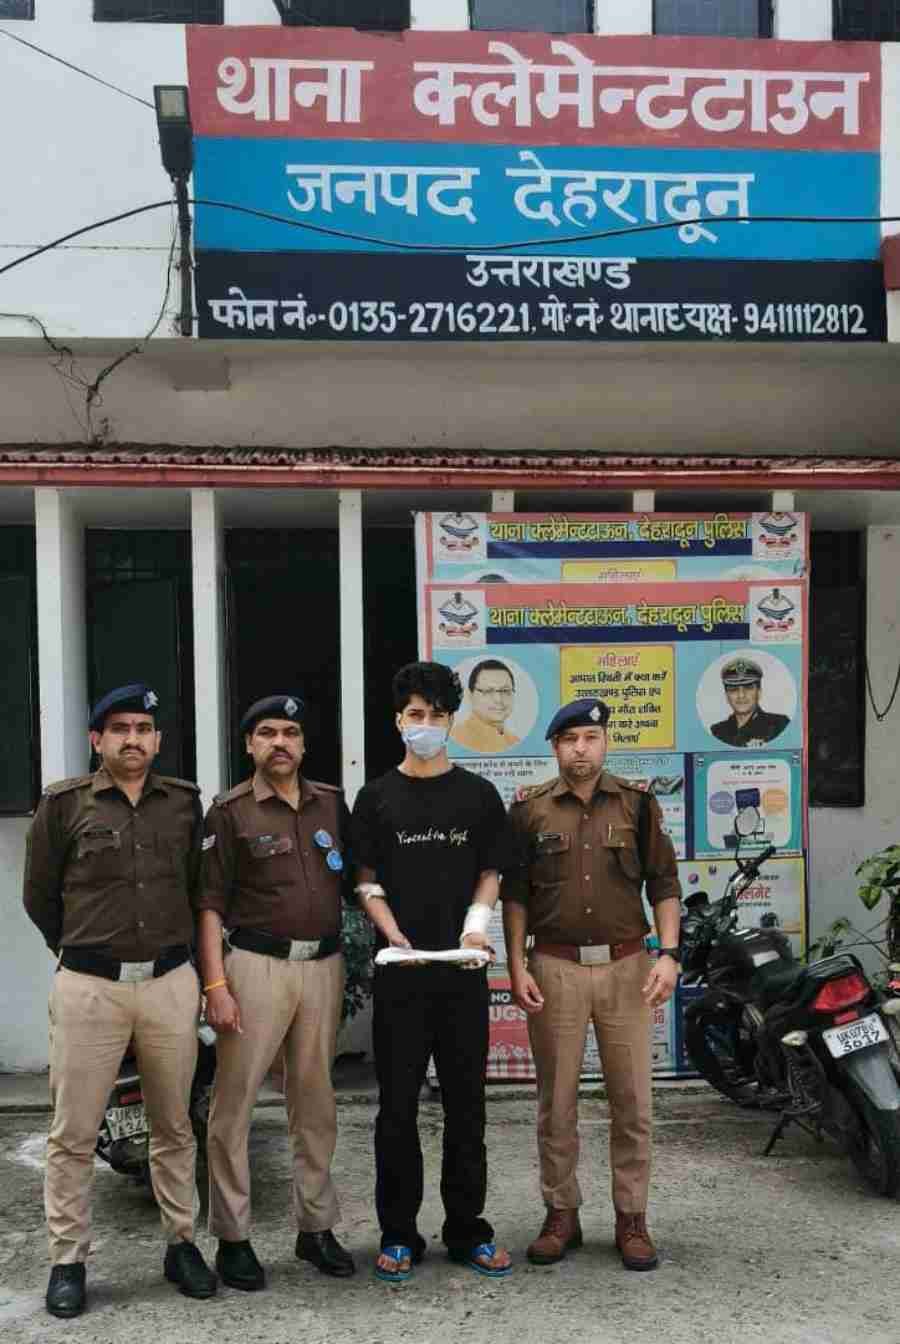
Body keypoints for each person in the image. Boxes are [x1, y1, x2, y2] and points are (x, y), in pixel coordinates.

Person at [23, 684, 215, 1318]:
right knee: (73, 1131)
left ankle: (181, 1244)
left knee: (175, 1124)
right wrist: (86, 950)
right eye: (119, 728)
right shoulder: (63, 805)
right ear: (96, 739)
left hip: (168, 983)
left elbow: (198, 890)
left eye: (143, 728)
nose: (133, 739)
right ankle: (68, 1260)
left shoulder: (183, 804)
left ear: (157, 740)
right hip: (90, 985)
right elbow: (39, 897)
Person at [502, 698, 682, 1273]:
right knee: (556, 1103)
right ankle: (562, 1214)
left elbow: (664, 883)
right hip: (554, 967)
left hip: (628, 968)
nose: (581, 749)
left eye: (591, 738)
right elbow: (516, 895)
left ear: (605, 743)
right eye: (570, 739)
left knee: (633, 1102)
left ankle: (632, 1218)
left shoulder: (638, 803)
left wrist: (669, 955)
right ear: (555, 747)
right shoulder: (529, 810)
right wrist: (516, 964)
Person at [350, 661, 512, 1284]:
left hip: (462, 976)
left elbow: (491, 872)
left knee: (467, 1108)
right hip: (401, 978)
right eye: (415, 715)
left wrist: (476, 925)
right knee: (396, 1111)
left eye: (437, 716)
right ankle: (398, 1233)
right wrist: (390, 931)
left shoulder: (478, 796)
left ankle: (468, 1229)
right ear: (398, 720)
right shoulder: (376, 798)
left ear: (451, 721)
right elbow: (366, 880)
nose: (426, 725)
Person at [196, 694, 354, 1291]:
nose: (280, 742)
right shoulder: (230, 811)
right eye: (267, 732)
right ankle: (233, 1237)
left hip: (323, 968)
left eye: (290, 732)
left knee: (315, 1102)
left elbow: (359, 879)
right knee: (234, 1104)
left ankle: (316, 1227)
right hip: (255, 968)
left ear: (304, 744)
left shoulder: (331, 804)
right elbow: (209, 905)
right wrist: (216, 984)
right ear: (249, 745)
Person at [709, 657, 790, 748]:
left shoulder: (779, 726)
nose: (741, 695)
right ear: (727, 696)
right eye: (733, 689)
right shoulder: (717, 731)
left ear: (759, 693)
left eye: (748, 688)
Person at [451, 659, 521, 754]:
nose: (498, 699)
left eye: (505, 690)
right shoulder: (457, 737)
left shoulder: (514, 741)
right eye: (488, 691)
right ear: (470, 695)